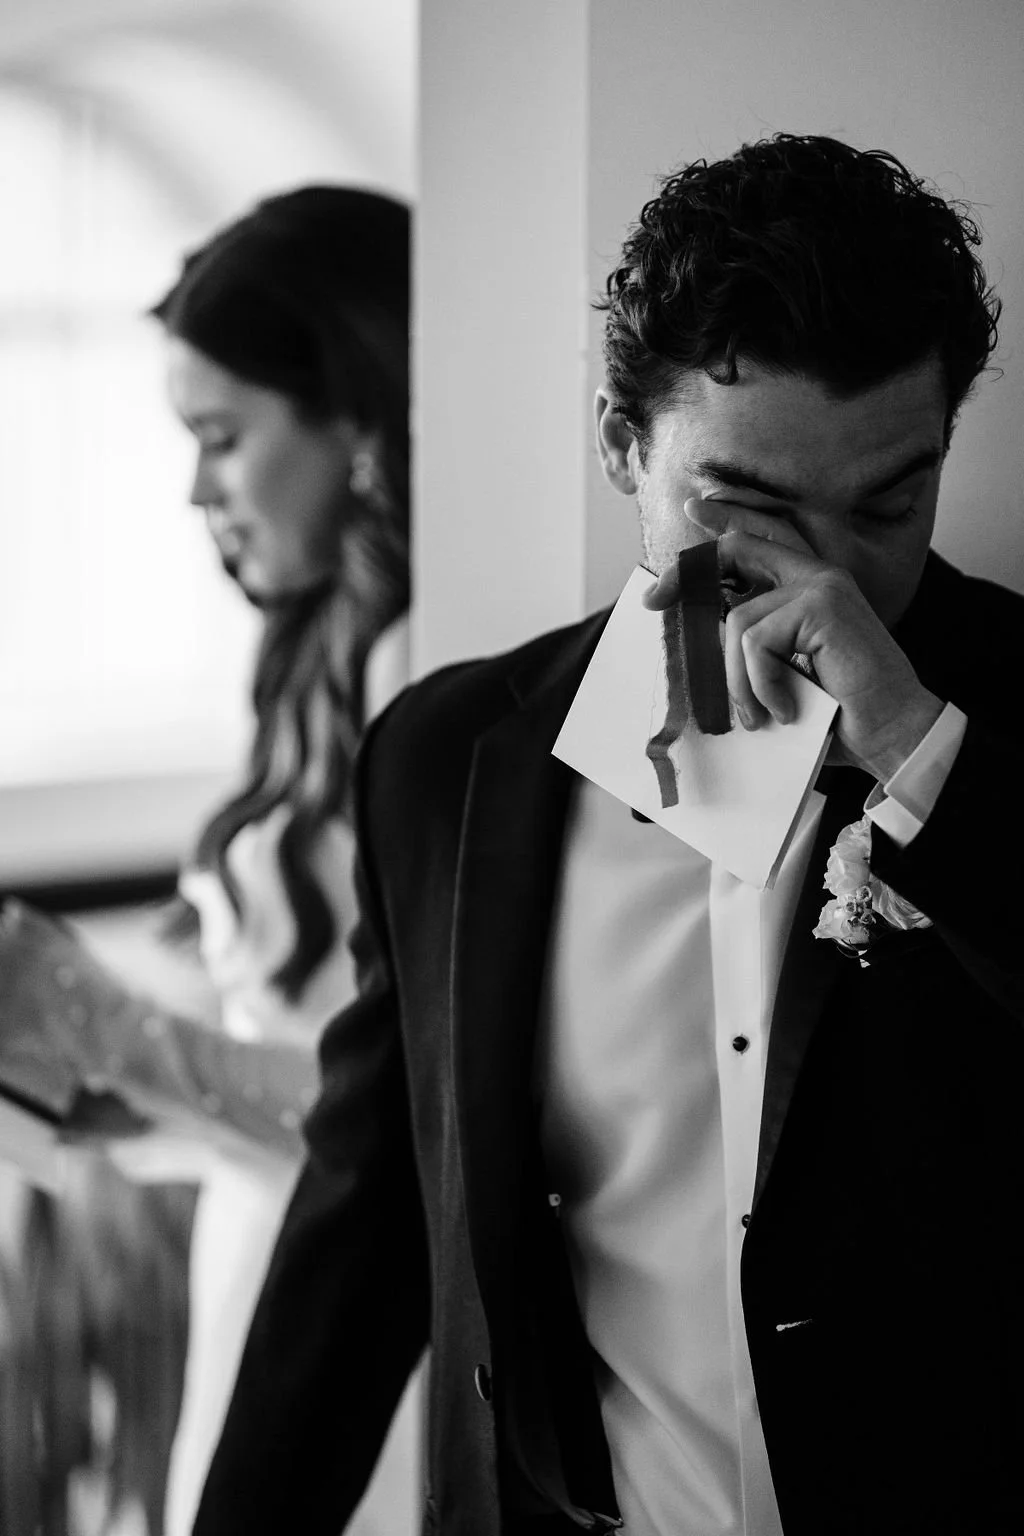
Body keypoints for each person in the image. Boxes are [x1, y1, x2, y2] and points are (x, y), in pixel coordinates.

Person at [190, 132, 1023, 1535]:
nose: (822, 572)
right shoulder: (445, 759)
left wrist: (920, 750)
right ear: (621, 441)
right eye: (746, 505)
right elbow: (369, 1230)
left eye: (889, 503)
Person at [0, 186, 419, 1536]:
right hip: (257, 1253)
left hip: (362, 1305)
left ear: (357, 415)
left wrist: (110, 1028)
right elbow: (277, 1076)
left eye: (223, 439)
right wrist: (105, 1085)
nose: (194, 490)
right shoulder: (308, 654)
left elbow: (407, 1127)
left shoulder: (424, 673)